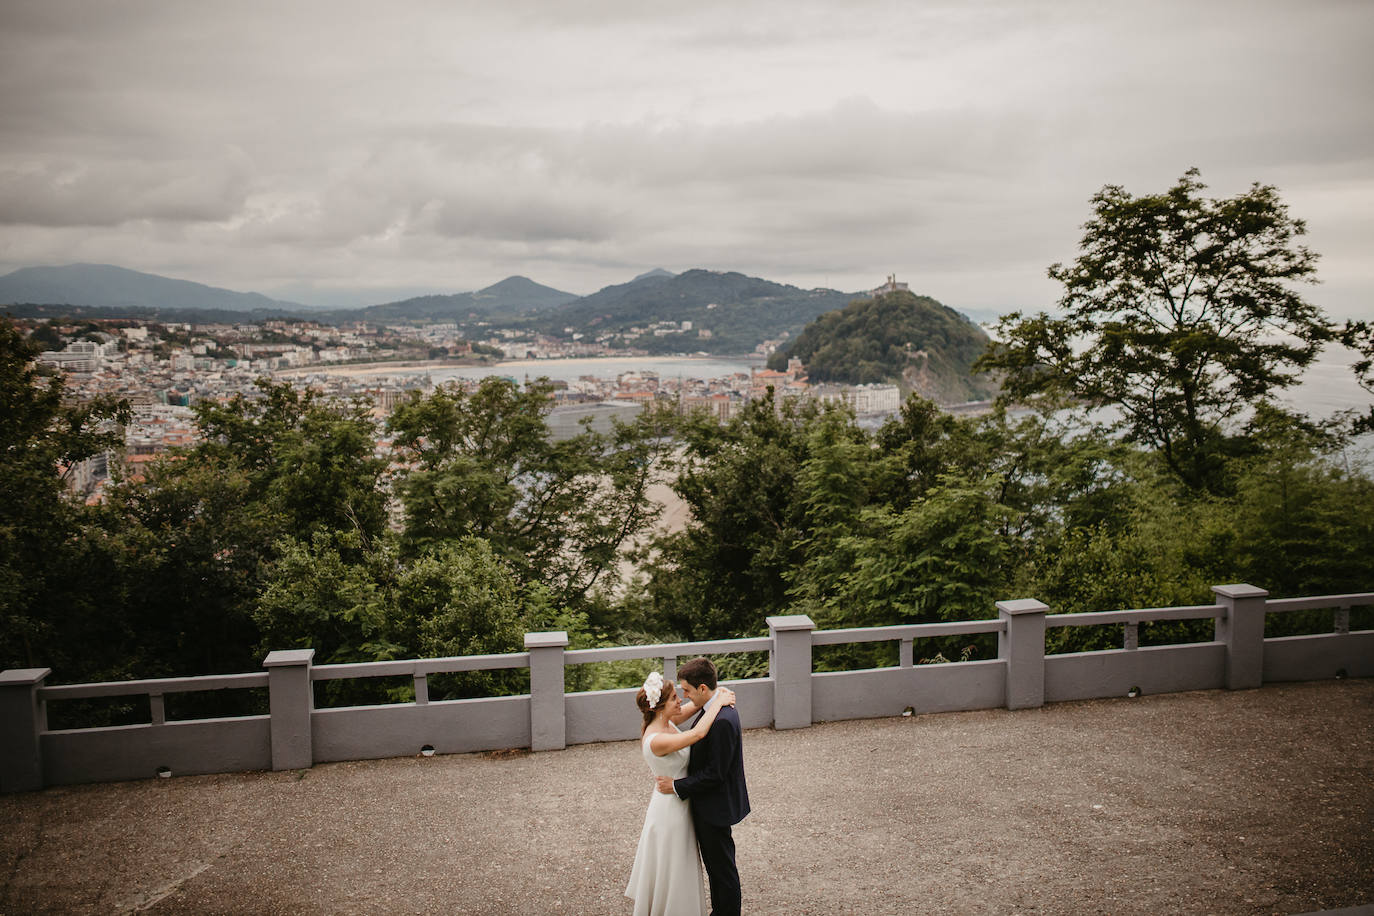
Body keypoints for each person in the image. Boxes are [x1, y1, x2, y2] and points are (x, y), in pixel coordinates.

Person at [626, 668, 737, 916]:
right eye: (675, 698)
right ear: (661, 706)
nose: (682, 700)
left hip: (680, 802)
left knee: (680, 866)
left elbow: (698, 706)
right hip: (670, 811)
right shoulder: (657, 739)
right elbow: (698, 733)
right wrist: (719, 701)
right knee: (675, 866)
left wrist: (716, 694)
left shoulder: (667, 721)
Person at [655, 657, 750, 916]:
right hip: (710, 804)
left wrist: (677, 786)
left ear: (702, 689)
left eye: (686, 690)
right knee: (717, 867)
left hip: (714, 807)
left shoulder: (720, 719)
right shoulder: (714, 710)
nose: (684, 697)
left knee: (722, 870)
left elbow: (715, 774)